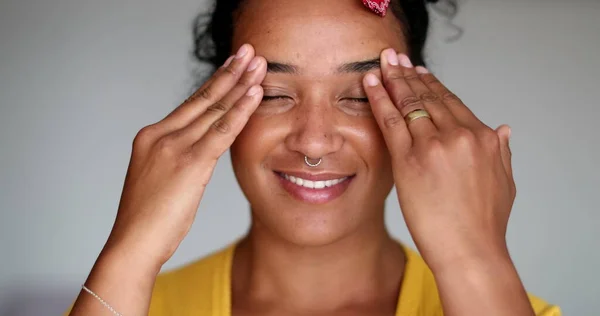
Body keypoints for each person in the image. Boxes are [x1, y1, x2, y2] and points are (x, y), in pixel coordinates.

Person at [66, 0, 561, 315]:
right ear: (215, 104)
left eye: (363, 97)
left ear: (421, 112)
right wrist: (128, 254)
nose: (315, 142)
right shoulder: (131, 302)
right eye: (275, 93)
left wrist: (474, 260)